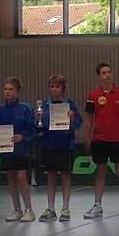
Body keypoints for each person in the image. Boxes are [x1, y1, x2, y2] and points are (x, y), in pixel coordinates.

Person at [83, 62, 119, 219]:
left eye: (109, 72)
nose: (107, 75)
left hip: (117, 139)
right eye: (104, 73)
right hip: (99, 139)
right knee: (101, 171)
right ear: (99, 76)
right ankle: (97, 205)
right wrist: (88, 137)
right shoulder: (93, 95)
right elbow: (89, 118)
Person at [36, 74, 83, 222]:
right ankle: (50, 208)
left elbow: (79, 124)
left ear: (63, 88)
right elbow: (38, 129)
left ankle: (65, 208)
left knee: (65, 175)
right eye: (52, 86)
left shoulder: (70, 104)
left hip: (65, 145)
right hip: (48, 144)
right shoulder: (44, 105)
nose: (54, 89)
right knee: (50, 176)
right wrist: (38, 120)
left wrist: (72, 117)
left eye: (57, 86)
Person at [0, 77, 36, 222]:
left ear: (18, 91)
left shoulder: (26, 108)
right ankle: (17, 209)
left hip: (22, 150)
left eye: (11, 89)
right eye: (5, 89)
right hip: (6, 150)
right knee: (10, 177)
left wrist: (23, 136)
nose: (7, 92)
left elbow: (32, 129)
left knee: (21, 177)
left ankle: (29, 209)